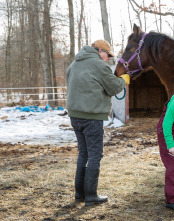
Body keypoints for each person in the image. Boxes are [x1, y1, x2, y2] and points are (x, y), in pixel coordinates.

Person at [66, 39, 130, 206]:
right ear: (100, 51)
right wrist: (124, 80)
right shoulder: (98, 65)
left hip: (75, 116)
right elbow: (114, 87)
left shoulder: (74, 64)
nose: (108, 58)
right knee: (95, 154)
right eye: (107, 54)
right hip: (92, 116)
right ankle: (91, 195)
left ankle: (79, 194)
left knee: (83, 153)